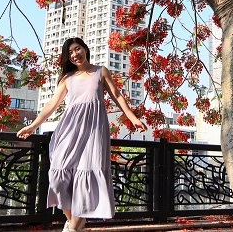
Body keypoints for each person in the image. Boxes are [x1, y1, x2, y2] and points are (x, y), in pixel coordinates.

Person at [18, 37, 147, 232]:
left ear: (85, 49)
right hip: (69, 131)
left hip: (94, 132)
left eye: (77, 49)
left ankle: (72, 228)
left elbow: (117, 95)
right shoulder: (67, 79)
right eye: (70, 53)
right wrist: (33, 126)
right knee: (59, 177)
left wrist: (133, 118)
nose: (75, 54)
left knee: (86, 178)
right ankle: (74, 223)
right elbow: (52, 105)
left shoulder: (100, 71)